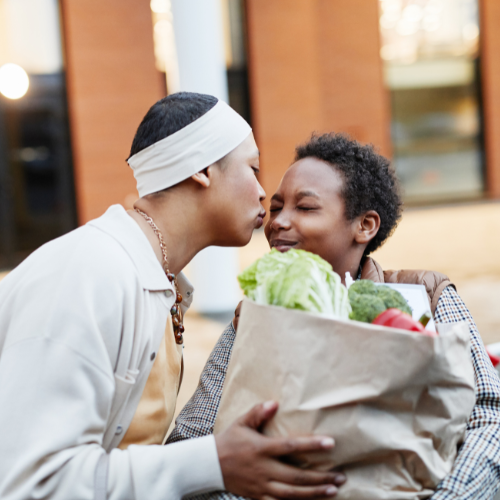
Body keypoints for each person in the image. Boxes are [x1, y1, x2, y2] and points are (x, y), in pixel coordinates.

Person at [0, 94, 347, 500]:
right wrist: (212, 463)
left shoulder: (156, 280)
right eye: (252, 169)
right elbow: (30, 484)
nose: (262, 193)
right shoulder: (87, 272)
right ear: (201, 170)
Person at [168, 132, 500, 500]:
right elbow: (192, 440)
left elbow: (489, 414)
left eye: (305, 208)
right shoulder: (253, 319)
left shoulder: (427, 296)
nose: (278, 221)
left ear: (365, 225)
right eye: (276, 207)